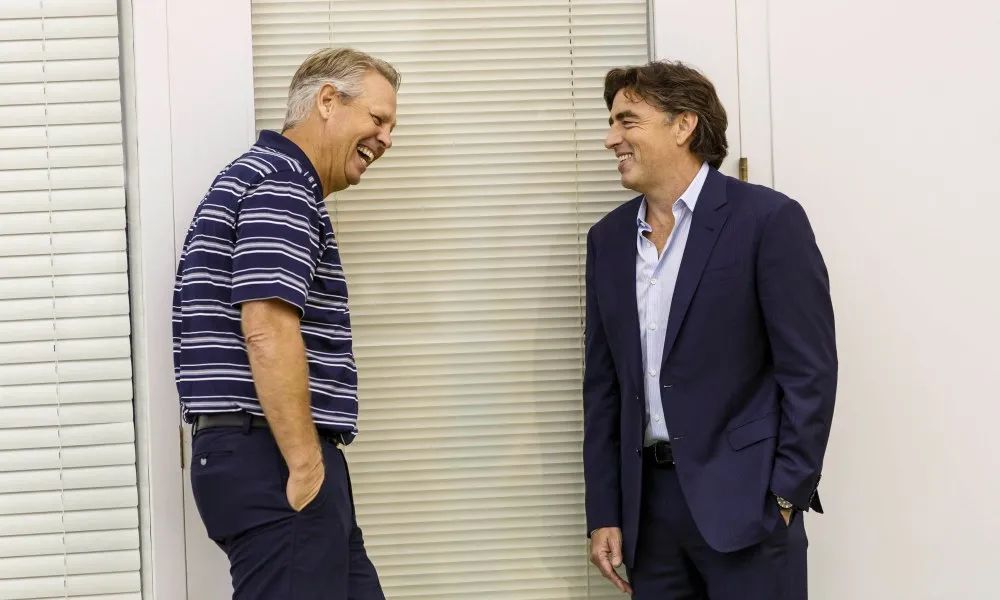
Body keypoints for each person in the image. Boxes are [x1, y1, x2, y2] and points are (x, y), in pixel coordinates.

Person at [583, 60, 837, 599]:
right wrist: (604, 511)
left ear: (683, 125)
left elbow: (809, 371)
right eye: (611, 123)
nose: (611, 139)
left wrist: (786, 494)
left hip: (747, 508)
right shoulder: (606, 240)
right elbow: (603, 388)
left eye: (627, 121)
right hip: (648, 519)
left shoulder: (767, 221)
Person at [172, 48, 399, 599]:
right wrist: (303, 463)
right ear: (328, 101)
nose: (386, 139)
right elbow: (267, 327)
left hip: (264, 453)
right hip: (272, 455)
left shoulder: (260, 178)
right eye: (378, 118)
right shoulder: (283, 184)